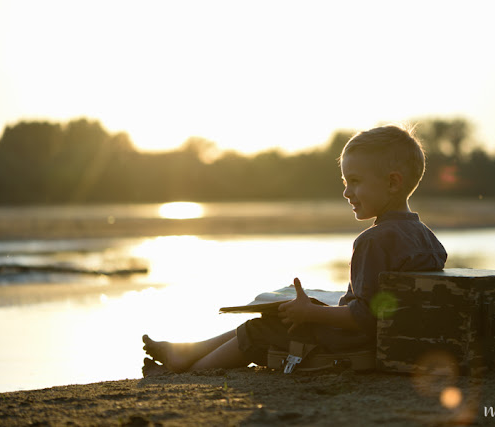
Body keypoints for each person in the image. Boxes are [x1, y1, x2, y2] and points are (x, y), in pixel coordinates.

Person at [142, 124, 447, 376]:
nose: (345, 191)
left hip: (356, 341)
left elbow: (365, 316)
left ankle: (186, 371)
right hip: (392, 338)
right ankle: (185, 351)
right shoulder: (427, 237)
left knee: (257, 331)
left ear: (393, 183)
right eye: (344, 181)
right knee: (270, 322)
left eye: (354, 181)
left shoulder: (373, 240)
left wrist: (312, 312)